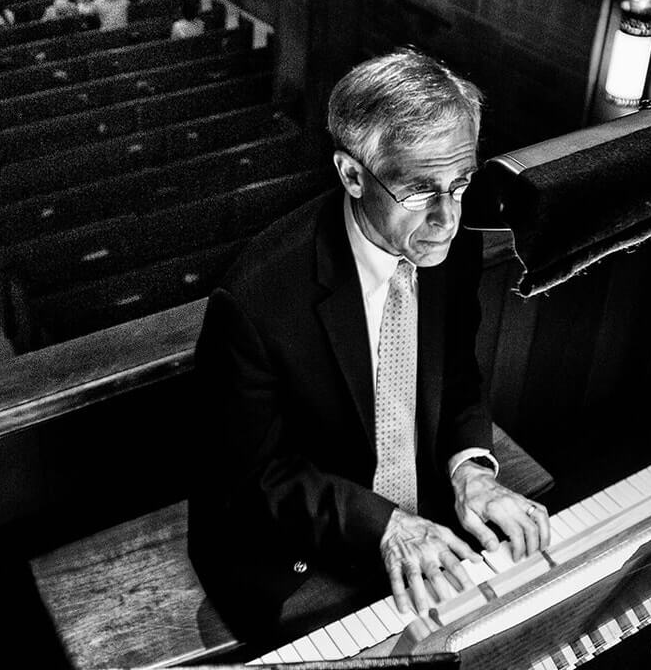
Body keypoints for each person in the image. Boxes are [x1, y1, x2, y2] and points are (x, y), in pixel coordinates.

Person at [188, 48, 551, 644]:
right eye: (420, 191)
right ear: (352, 174)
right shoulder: (254, 300)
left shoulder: (449, 250)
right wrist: (386, 528)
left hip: (422, 512)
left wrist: (471, 474)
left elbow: (458, 378)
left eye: (460, 184)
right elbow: (257, 480)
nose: (447, 218)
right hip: (300, 551)